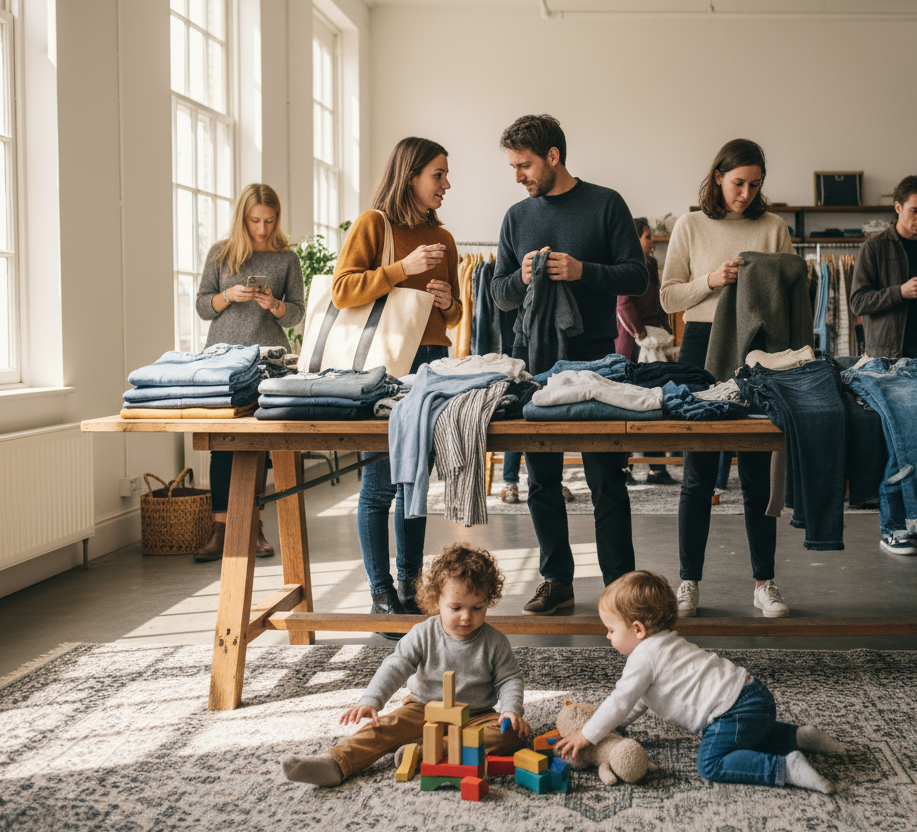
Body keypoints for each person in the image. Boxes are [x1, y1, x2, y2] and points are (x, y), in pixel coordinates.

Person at [490, 114, 649, 614]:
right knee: (541, 478)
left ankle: (619, 586)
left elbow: (636, 276)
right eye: (514, 166)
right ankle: (556, 579)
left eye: (524, 165)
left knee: (606, 477)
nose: (518, 176)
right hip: (535, 363)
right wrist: (521, 277)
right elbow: (499, 294)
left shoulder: (606, 204)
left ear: (553, 156)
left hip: (596, 361)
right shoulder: (517, 217)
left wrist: (583, 271)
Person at [553, 571, 844, 793]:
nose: (607, 636)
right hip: (754, 696)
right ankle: (797, 737)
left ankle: (784, 768)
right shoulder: (666, 644)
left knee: (711, 762)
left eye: (611, 629)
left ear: (637, 629)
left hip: (732, 710)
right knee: (745, 734)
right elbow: (637, 702)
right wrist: (613, 729)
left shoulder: (643, 658)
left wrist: (587, 735)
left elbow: (620, 700)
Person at [658, 139, 793, 618]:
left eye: (755, 184)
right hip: (702, 344)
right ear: (718, 176)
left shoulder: (774, 228)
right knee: (698, 473)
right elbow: (669, 298)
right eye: (739, 183)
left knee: (758, 473)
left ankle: (764, 583)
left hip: (760, 348)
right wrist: (713, 281)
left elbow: (791, 298)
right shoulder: (690, 225)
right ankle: (688, 582)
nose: (746, 193)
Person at [333, 137, 461, 632]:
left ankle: (412, 587)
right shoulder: (374, 225)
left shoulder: (444, 239)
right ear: (410, 175)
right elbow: (343, 290)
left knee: (413, 483)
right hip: (382, 368)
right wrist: (401, 270)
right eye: (438, 174)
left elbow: (453, 318)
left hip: (430, 363)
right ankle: (381, 593)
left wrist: (448, 301)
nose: (446, 184)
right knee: (380, 485)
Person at [280, 544, 530, 787]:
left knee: (510, 733)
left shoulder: (495, 641)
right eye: (456, 608)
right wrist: (371, 700)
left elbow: (509, 678)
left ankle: (427, 751)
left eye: (478, 608)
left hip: (476, 715)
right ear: (437, 601)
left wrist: (511, 709)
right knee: (384, 728)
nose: (466, 616)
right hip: (423, 709)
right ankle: (334, 762)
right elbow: (395, 665)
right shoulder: (422, 633)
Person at [849, 174, 917, 557]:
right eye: (914, 210)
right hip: (886, 360)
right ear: (897, 207)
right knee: (896, 442)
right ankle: (893, 526)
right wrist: (901, 292)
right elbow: (858, 302)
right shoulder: (874, 249)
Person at [193, 183, 305, 563]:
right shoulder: (220, 255)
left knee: (257, 444)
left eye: (269, 221)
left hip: (266, 360)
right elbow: (202, 306)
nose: (262, 228)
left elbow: (297, 314)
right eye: (255, 220)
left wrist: (273, 304)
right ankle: (221, 529)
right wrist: (229, 297)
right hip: (221, 360)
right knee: (222, 444)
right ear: (243, 217)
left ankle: (253, 526)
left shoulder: (287, 258)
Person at [619, 217, 675, 486]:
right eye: (647, 236)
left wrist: (665, 331)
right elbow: (623, 303)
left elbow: (660, 302)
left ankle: (656, 467)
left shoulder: (651, 264)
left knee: (655, 401)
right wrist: (640, 335)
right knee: (628, 404)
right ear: (634, 239)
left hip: (655, 342)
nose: (652, 241)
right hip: (632, 345)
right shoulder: (626, 265)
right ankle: (623, 468)